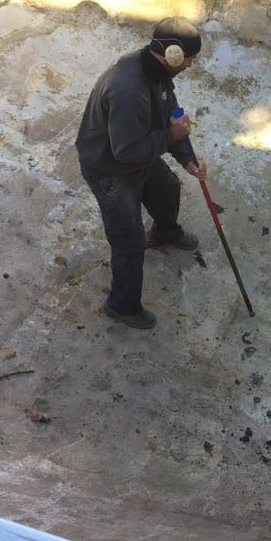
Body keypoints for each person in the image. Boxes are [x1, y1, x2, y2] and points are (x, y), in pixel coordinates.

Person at [76, 17, 208, 330]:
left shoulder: (156, 70)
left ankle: (165, 232)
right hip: (110, 168)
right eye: (189, 58)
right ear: (173, 54)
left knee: (167, 187)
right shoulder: (127, 88)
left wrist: (186, 157)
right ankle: (122, 306)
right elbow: (126, 151)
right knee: (129, 243)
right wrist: (170, 138)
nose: (190, 64)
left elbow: (170, 115)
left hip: (138, 153)